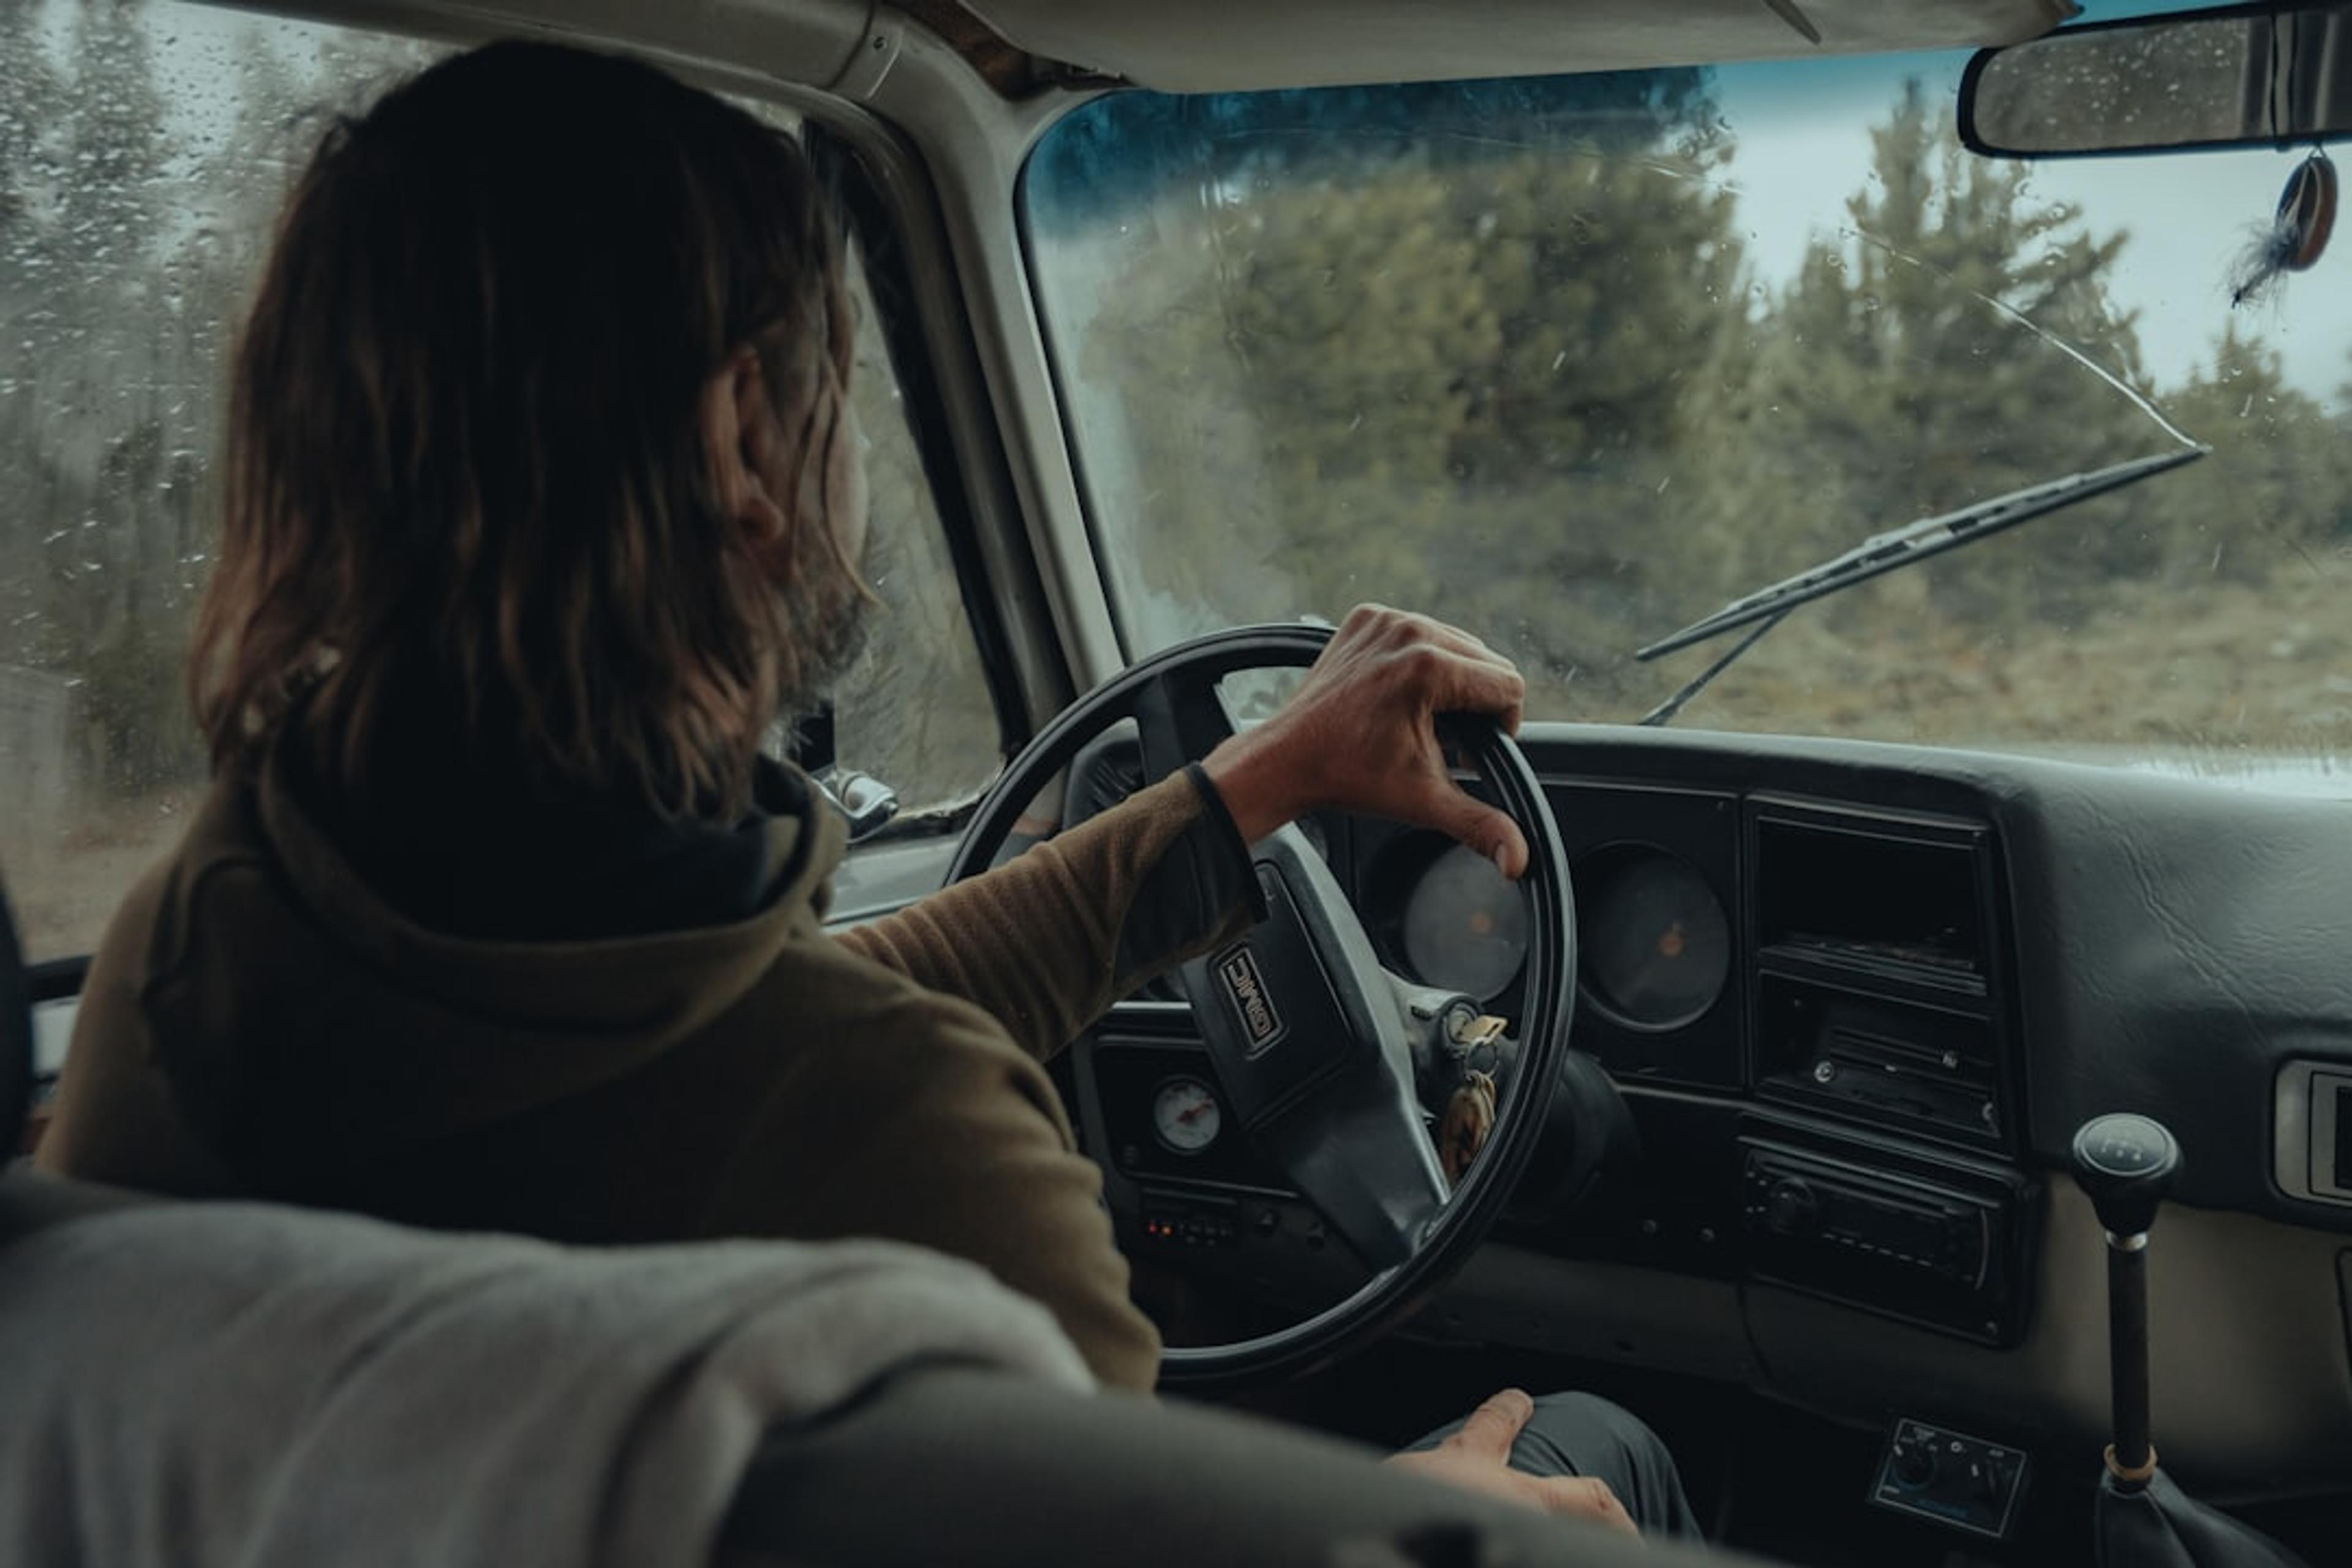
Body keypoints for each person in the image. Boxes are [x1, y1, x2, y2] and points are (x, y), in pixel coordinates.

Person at [36, 40, 1697, 1541]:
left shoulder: (195, 964)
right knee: (1592, 1455)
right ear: (742, 448)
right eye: (836, 385)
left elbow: (749, 1027)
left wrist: (1242, 791)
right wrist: (1434, 1523)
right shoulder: (919, 1174)